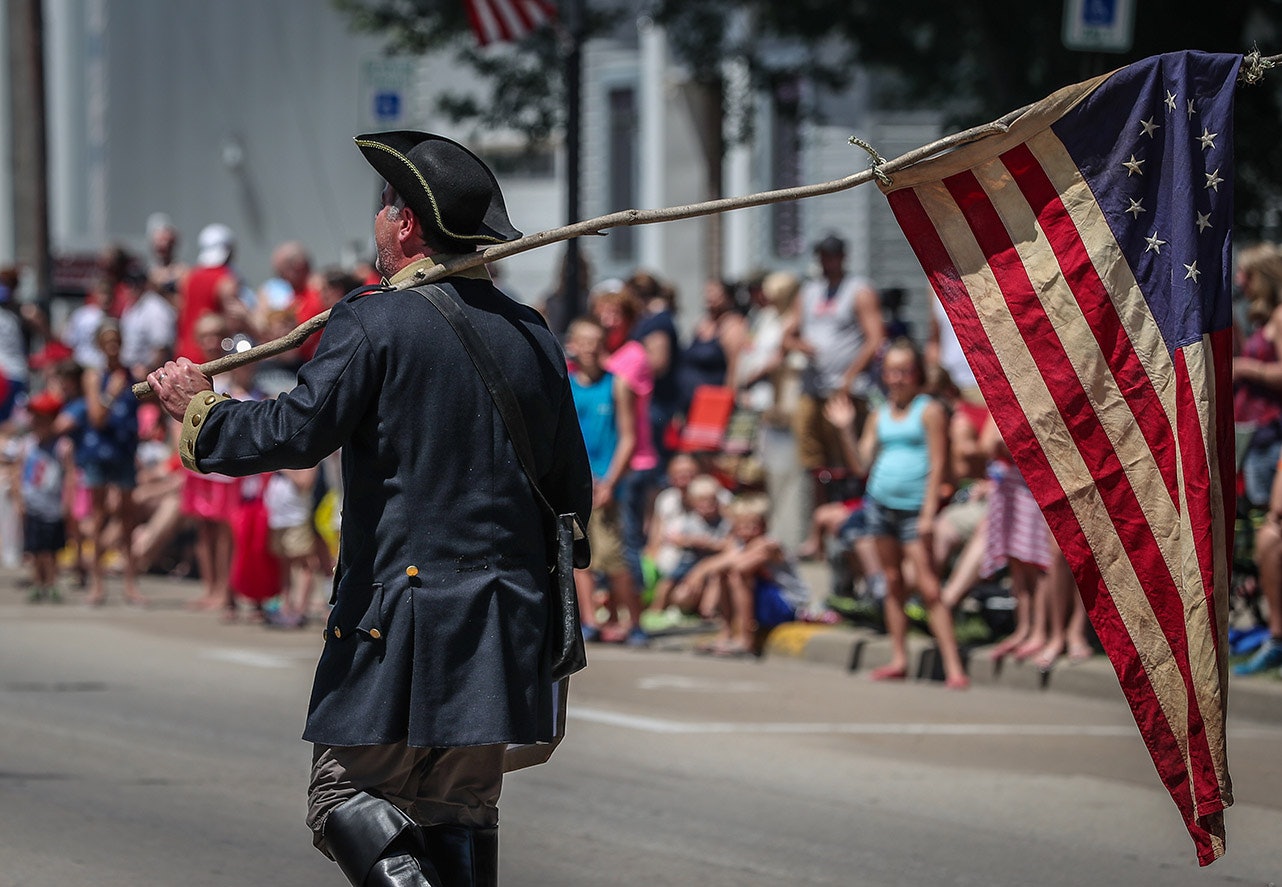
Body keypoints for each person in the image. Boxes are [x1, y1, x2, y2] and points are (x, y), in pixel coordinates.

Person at [148, 129, 592, 887]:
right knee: (458, 809)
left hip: (405, 613)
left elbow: (294, 430)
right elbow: (571, 494)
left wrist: (203, 411)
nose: (379, 220)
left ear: (408, 224)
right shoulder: (534, 334)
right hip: (505, 614)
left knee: (344, 793)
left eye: (385, 205)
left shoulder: (373, 320)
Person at [828, 340, 968, 689]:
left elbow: (938, 464)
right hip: (879, 505)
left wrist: (927, 512)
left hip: (912, 510)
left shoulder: (929, 410)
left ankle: (953, 667)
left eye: (904, 370)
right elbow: (861, 463)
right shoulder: (879, 413)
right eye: (891, 371)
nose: (897, 378)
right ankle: (899, 658)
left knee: (929, 586)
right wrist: (845, 428)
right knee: (891, 581)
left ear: (916, 372)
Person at [784, 234, 886, 504]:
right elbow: (787, 335)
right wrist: (799, 344)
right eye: (823, 256)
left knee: (847, 454)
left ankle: (850, 508)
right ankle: (819, 519)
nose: (827, 261)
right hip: (814, 387)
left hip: (845, 390)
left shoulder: (859, 290)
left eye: (832, 255)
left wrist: (850, 376)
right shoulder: (808, 292)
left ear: (842, 257)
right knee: (814, 458)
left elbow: (875, 338)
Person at [566, 316, 647, 646]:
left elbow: (629, 437)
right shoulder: (566, 383)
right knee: (579, 557)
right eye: (582, 340)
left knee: (614, 557)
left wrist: (612, 481)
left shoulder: (617, 384)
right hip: (579, 481)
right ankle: (588, 620)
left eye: (595, 341)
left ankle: (635, 620)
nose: (589, 348)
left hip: (607, 481)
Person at [80, 320, 144, 606]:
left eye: (116, 342)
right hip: (99, 451)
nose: (113, 348)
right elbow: (96, 418)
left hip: (124, 449)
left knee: (127, 518)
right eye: (107, 343)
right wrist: (112, 393)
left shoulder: (132, 375)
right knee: (98, 517)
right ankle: (96, 582)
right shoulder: (96, 377)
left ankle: (131, 582)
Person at [15, 391, 74, 603]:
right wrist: (19, 499)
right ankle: (38, 582)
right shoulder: (27, 445)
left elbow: (69, 475)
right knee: (35, 548)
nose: (38, 423)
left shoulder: (62, 446)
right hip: (32, 503)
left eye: (43, 418)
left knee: (51, 549)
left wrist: (68, 501)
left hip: (53, 506)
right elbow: (19, 473)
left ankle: (51, 582)